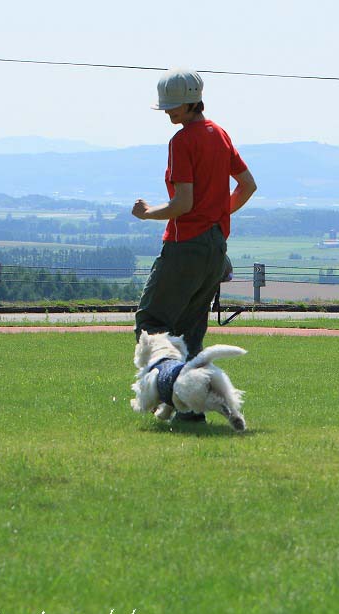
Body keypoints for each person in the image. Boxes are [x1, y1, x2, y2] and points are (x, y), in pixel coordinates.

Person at [132, 68, 256, 420]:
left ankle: (160, 396)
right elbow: (247, 185)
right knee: (191, 329)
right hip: (216, 247)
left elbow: (183, 204)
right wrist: (216, 216)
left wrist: (147, 213)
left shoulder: (182, 141)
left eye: (173, 107)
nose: (169, 112)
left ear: (189, 104)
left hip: (185, 245)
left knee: (151, 322)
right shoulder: (220, 134)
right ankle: (191, 410)